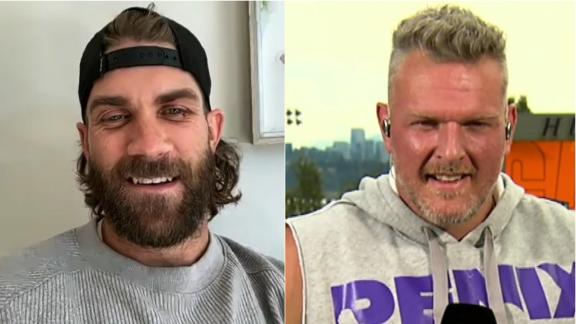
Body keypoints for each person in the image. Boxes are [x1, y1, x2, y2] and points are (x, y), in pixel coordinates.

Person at [286, 5, 574, 324]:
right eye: (425, 124)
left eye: (475, 124)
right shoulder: (303, 257)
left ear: (509, 127)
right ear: (387, 127)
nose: (451, 153)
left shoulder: (569, 241)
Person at [0, 5, 283, 323]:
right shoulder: (11, 302)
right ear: (87, 142)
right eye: (116, 117)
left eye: (175, 111)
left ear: (212, 131)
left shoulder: (288, 297)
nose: (149, 146)